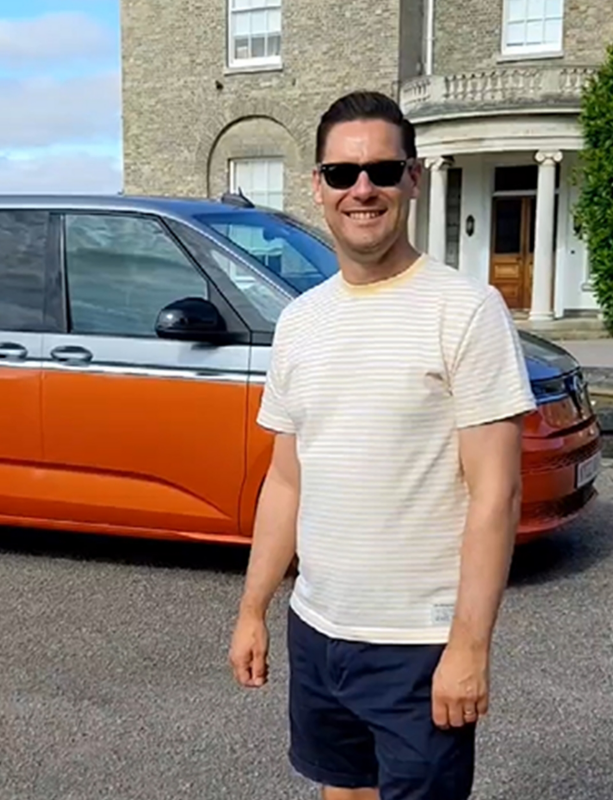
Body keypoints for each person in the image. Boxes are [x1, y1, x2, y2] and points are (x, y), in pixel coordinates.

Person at [228, 90, 536, 800]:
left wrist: (469, 645)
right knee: (342, 791)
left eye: (381, 171)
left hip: (417, 645)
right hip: (318, 631)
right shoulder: (300, 322)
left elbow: (497, 495)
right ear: (318, 186)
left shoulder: (466, 310)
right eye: (341, 174)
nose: (361, 189)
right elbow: (286, 482)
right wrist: (253, 610)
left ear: (413, 179)